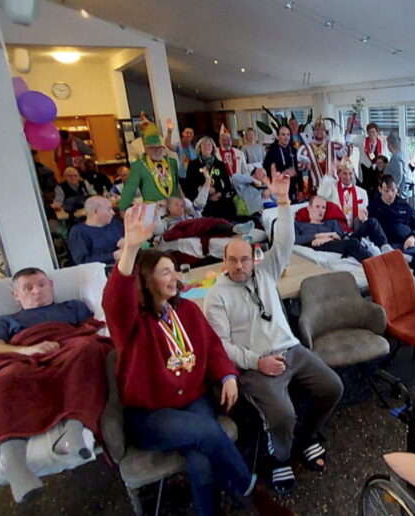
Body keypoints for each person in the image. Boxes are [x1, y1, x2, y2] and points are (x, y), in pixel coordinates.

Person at [103, 203, 256, 516]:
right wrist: (131, 248)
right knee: (208, 432)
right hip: (151, 413)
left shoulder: (186, 310)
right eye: (165, 272)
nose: (175, 277)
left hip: (193, 401)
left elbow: (213, 349)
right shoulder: (132, 323)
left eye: (174, 270)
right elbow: (115, 301)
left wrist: (228, 376)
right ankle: (249, 489)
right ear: (146, 279)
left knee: (201, 464)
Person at [204, 170, 343, 495]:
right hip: (257, 363)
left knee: (332, 387)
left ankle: (307, 436)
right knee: (282, 414)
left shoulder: (265, 271)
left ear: (254, 258)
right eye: (232, 261)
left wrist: (283, 201)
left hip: (292, 349)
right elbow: (222, 347)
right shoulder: (216, 296)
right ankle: (279, 457)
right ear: (224, 263)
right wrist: (257, 362)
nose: (240, 266)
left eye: (244, 259)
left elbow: (286, 240)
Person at [0, 267, 108, 502]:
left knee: (89, 349)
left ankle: (73, 431)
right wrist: (27, 350)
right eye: (28, 288)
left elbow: (94, 329)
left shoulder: (72, 307)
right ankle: (14, 460)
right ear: (16, 295)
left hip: (66, 350)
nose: (37, 291)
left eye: (42, 284)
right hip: (24, 357)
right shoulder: (5, 320)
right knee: (5, 378)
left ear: (51, 285)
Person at [368, 175, 415, 293]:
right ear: (380, 190)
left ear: (396, 190)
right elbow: (371, 229)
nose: (390, 195)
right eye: (386, 191)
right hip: (387, 247)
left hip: (407, 245)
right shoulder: (373, 207)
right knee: (393, 269)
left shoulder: (405, 206)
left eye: (392, 190)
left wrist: (413, 237)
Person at [295, 195, 393, 262]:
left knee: (372, 222)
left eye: (323, 207)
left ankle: (388, 251)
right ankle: (377, 265)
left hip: (339, 240)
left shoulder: (332, 222)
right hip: (322, 245)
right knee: (353, 242)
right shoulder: (300, 225)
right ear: (309, 208)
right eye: (317, 207)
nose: (321, 210)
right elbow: (296, 240)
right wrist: (322, 236)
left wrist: (329, 237)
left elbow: (340, 236)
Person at [119, 115, 181, 211]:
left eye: (158, 147)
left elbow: (176, 185)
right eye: (152, 148)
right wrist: (123, 209)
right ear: (146, 149)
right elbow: (129, 189)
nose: (156, 151)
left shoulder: (172, 163)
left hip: (174, 210)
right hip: (154, 210)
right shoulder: (139, 166)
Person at [183, 136, 238, 221]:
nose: (207, 147)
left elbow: (227, 185)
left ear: (213, 148)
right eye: (204, 145)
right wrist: (206, 193)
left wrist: (217, 192)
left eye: (209, 145)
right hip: (202, 201)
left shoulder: (220, 164)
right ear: (200, 148)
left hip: (219, 198)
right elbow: (189, 187)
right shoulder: (193, 164)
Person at [296, 117, 348, 200]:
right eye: (316, 129)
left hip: (333, 185)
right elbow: (301, 167)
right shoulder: (305, 149)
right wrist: (306, 165)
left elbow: (346, 155)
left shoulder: (334, 145)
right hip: (315, 187)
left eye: (322, 129)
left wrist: (348, 133)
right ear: (313, 132)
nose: (319, 132)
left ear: (325, 132)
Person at [68, 196, 123, 266]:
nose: (113, 213)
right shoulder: (78, 232)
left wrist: (126, 241)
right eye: (109, 209)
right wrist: (112, 256)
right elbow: (82, 261)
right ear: (96, 211)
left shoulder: (114, 224)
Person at [318, 160, 369, 230]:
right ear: (339, 174)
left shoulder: (362, 192)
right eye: (345, 173)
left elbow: (364, 214)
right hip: (336, 229)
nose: (348, 177)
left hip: (356, 229)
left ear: (354, 174)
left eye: (350, 173)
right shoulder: (332, 187)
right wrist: (330, 172)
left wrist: (364, 216)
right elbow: (321, 194)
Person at [357, 123, 386, 190]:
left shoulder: (381, 142)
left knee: (376, 190)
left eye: (373, 131)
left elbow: (384, 157)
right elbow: (349, 141)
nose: (371, 134)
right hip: (365, 169)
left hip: (376, 170)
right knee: (365, 190)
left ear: (377, 133)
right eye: (369, 132)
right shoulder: (362, 141)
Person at [383, 132, 409, 197]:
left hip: (396, 193)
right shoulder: (402, 155)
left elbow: (399, 173)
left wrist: (394, 189)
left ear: (390, 145)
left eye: (388, 143)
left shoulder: (396, 158)